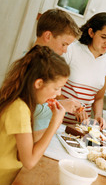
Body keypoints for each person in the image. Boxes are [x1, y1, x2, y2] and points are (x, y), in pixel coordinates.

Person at [0, 45, 69, 185]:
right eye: (56, 88)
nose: (59, 94)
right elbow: (29, 161)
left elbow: (25, 140)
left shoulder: (19, 99)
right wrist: (55, 123)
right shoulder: (20, 109)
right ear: (38, 84)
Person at [61, 12, 106, 129]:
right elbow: (52, 90)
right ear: (91, 32)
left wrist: (98, 116)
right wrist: (74, 107)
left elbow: (99, 98)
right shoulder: (71, 49)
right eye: (103, 37)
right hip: (57, 120)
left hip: (79, 127)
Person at [33, 8, 83, 141]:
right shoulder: (32, 66)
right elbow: (29, 109)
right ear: (48, 36)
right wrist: (61, 106)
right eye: (64, 44)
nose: (65, 50)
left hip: (39, 136)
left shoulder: (44, 64)